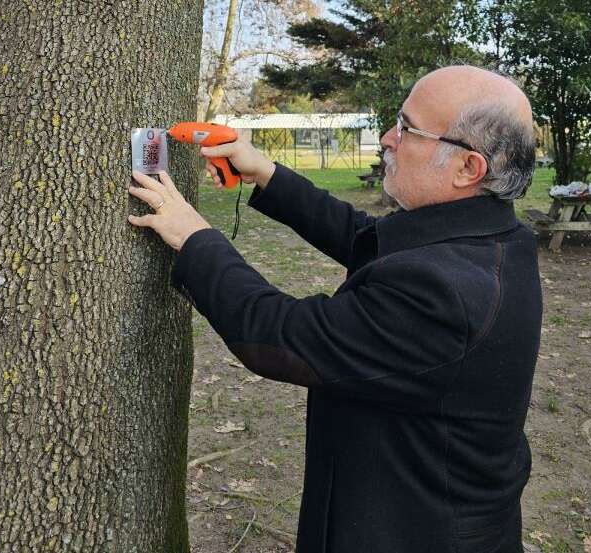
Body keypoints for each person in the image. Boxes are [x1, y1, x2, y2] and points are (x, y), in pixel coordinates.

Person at [127, 65, 542, 553]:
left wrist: (194, 238)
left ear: (468, 168)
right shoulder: (487, 238)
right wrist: (265, 172)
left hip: (411, 531)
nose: (388, 138)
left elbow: (280, 336)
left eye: (407, 129)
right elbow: (366, 238)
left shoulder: (447, 292)